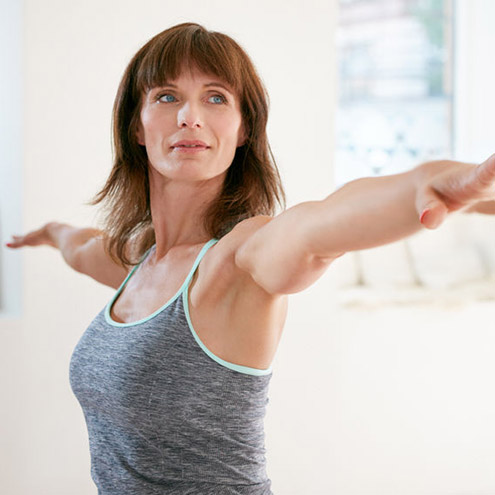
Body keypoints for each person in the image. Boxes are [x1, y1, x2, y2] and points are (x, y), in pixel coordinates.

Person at [5, 22, 495, 495]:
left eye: (216, 97)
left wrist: (429, 184)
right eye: (167, 96)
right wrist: (50, 232)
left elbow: (319, 226)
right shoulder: (139, 259)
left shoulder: (237, 259)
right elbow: (83, 246)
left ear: (243, 130)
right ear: (137, 125)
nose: (189, 116)